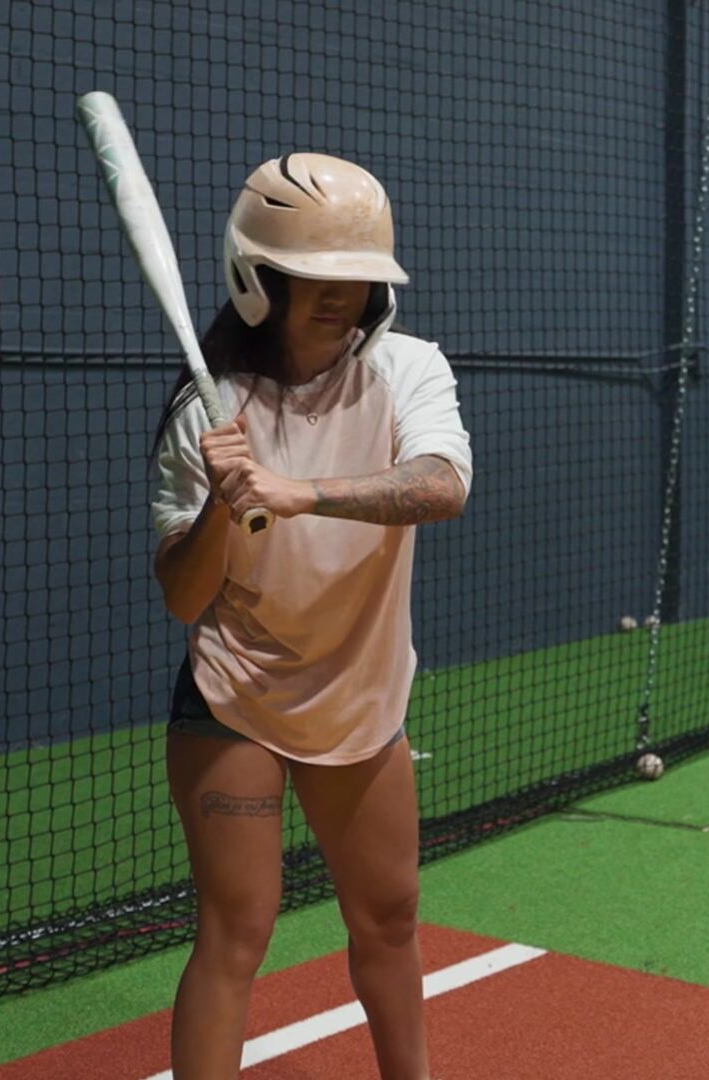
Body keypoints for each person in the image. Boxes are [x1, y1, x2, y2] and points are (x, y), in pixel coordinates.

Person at [148, 152, 472, 1080]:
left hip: (361, 696)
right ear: (261, 280)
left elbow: (441, 485)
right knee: (237, 928)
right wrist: (221, 498)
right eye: (317, 278)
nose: (345, 296)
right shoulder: (204, 409)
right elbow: (182, 596)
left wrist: (299, 491)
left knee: (389, 917)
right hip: (235, 694)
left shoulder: (407, 370)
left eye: (361, 277)